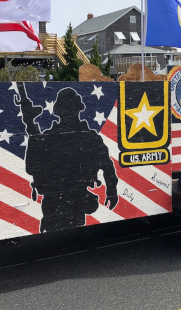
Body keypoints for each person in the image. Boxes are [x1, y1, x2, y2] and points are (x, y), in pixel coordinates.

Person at [15, 85, 118, 233]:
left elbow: (32, 167)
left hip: (66, 201)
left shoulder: (51, 138)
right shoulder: (88, 137)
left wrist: (31, 128)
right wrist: (31, 128)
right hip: (64, 200)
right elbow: (108, 167)